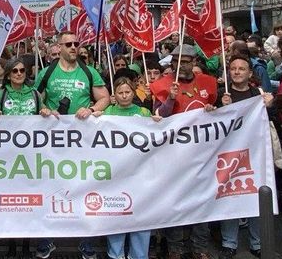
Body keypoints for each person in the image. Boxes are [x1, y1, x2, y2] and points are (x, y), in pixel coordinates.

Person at [34, 32, 109, 259]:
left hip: (82, 141)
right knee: (50, 186)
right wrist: (44, 109)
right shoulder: (47, 72)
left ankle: (86, 242)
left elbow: (104, 97)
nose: (74, 47)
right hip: (53, 141)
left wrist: (93, 109)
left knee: (83, 186)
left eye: (77, 44)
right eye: (69, 44)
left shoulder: (88, 71)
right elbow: (35, 97)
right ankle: (47, 240)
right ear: (59, 47)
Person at [148, 44, 218, 259]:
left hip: (202, 155)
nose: (181, 65)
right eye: (176, 61)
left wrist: (212, 109)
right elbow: (160, 116)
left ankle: (200, 247)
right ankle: (175, 248)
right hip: (174, 155)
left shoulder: (208, 83)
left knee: (202, 200)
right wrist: (170, 97)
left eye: (185, 61)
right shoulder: (162, 85)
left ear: (194, 62)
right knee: (176, 201)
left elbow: (214, 111)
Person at [215, 56, 275, 258]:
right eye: (233, 68)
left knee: (256, 197)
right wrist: (219, 107)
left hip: (255, 154)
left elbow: (273, 120)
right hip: (229, 155)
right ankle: (229, 242)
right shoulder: (222, 95)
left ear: (250, 73)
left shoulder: (259, 95)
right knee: (229, 196)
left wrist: (271, 105)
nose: (237, 72)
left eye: (242, 68)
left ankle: (258, 243)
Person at [92, 76, 157, 259]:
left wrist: (157, 122)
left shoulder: (143, 112)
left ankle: (139, 255)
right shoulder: (108, 112)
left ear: (133, 91)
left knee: (142, 215)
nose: (124, 95)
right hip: (116, 174)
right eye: (120, 92)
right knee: (116, 215)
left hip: (140, 174)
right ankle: (116, 254)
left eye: (127, 91)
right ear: (115, 94)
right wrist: (94, 117)